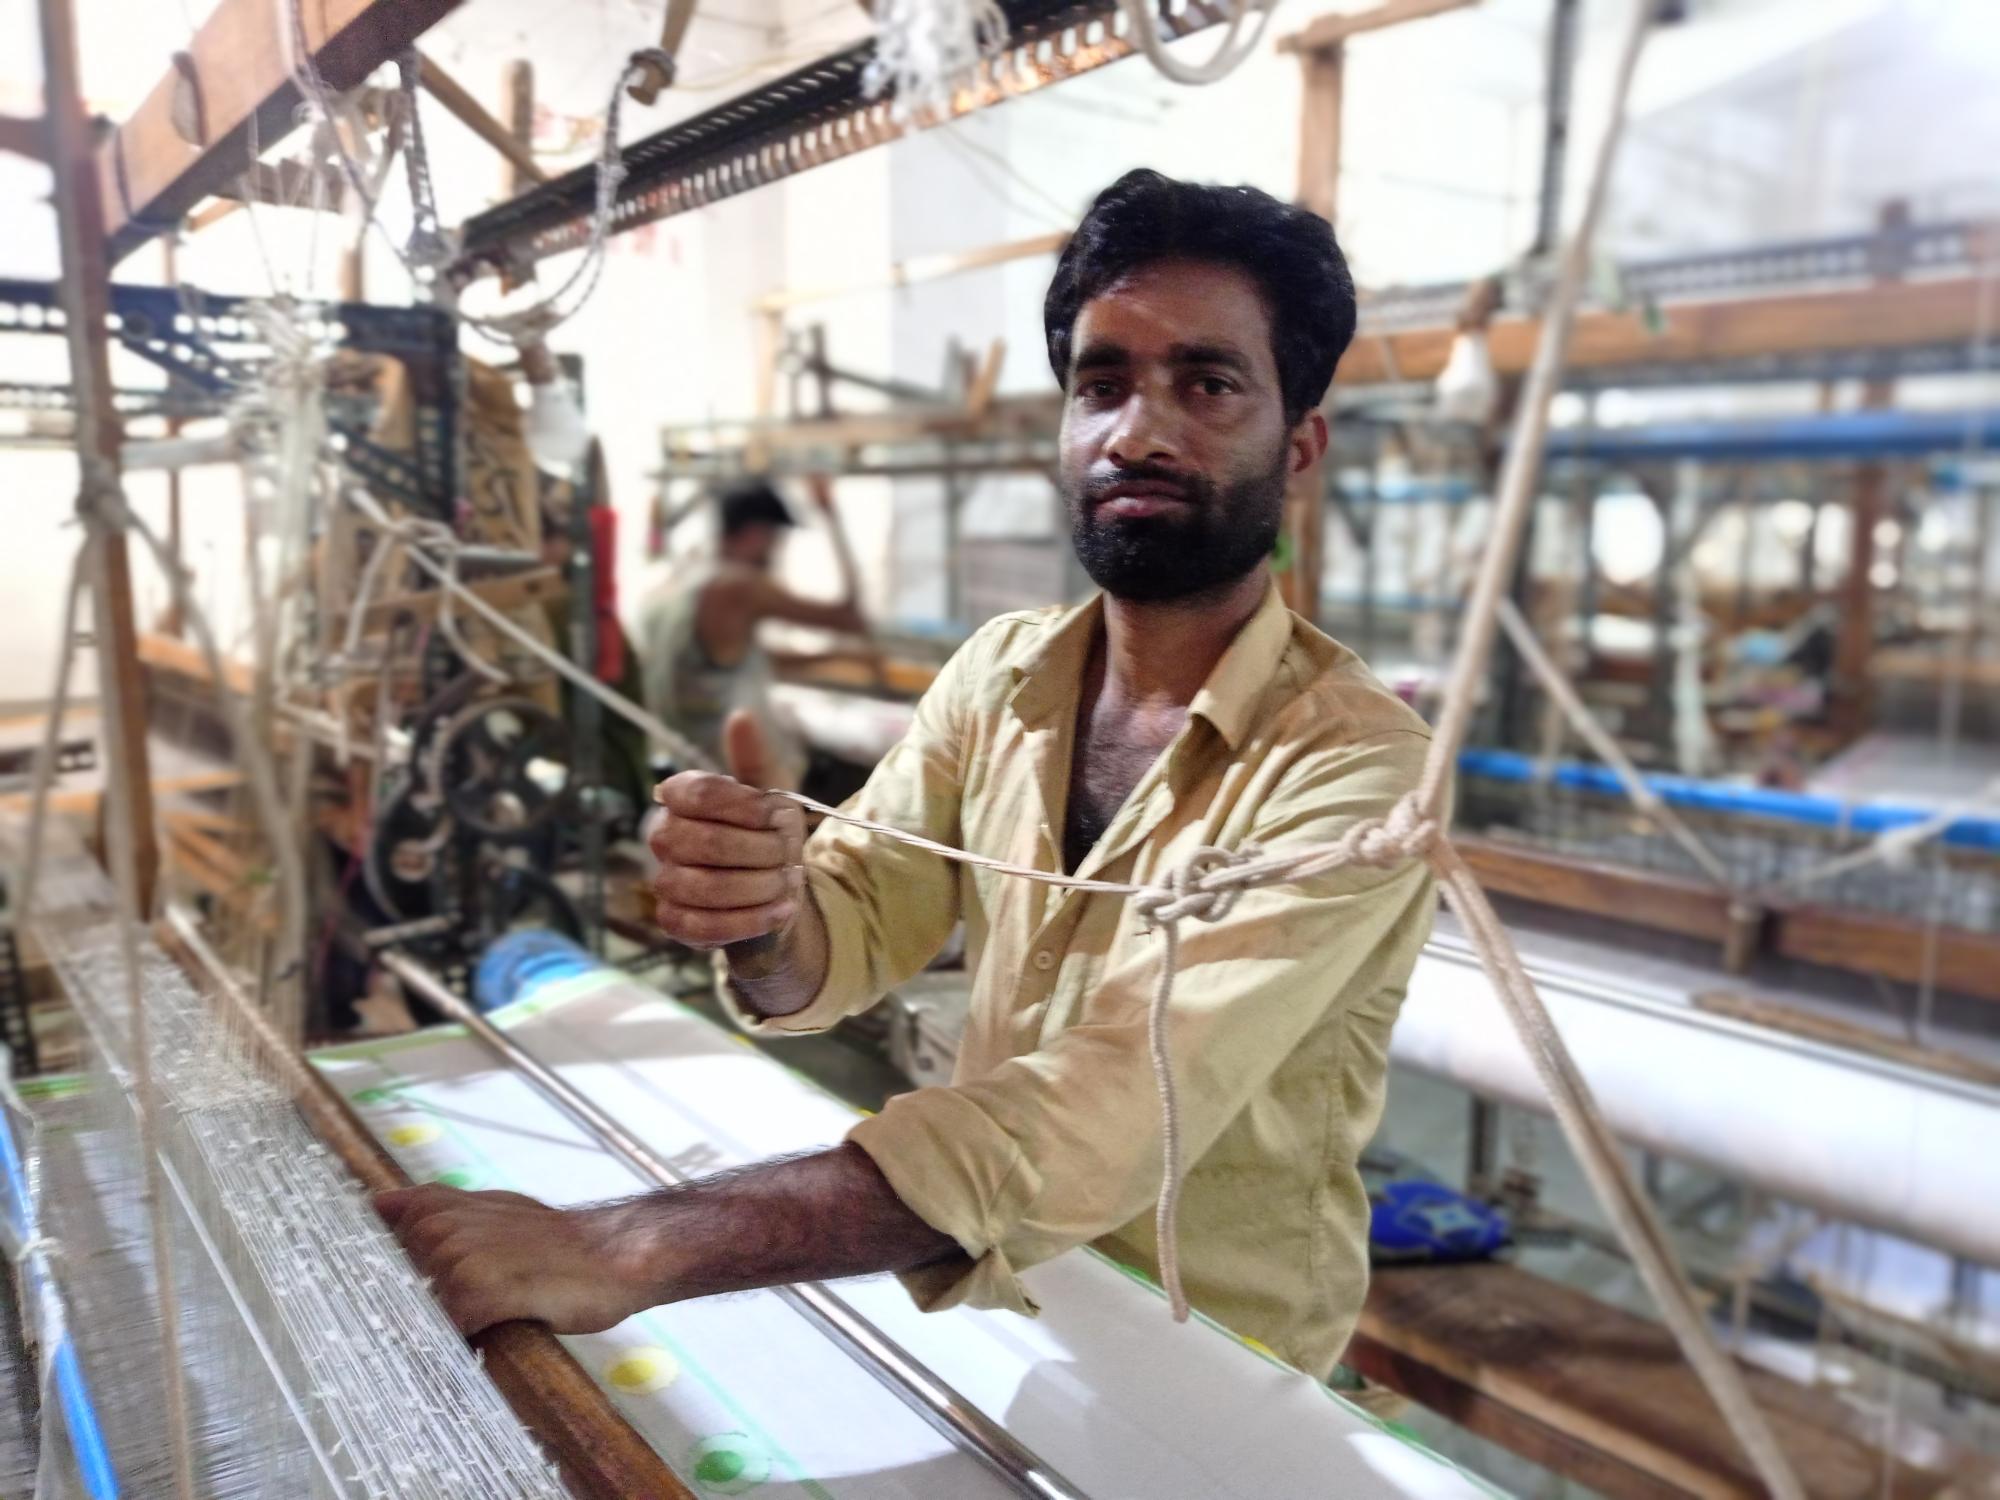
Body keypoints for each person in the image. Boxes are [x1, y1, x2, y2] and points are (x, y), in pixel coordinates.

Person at [379, 168, 1438, 1380]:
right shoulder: (1000, 676)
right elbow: (848, 932)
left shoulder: (1353, 765)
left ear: (1296, 446)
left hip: (1223, 1373)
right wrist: (763, 916)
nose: (1134, 434)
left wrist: (625, 1244)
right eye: (1100, 384)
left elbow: (1105, 1110)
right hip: (1012, 1320)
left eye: (1206, 384)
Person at [636, 478, 870, 789]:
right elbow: (851, 618)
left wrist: (832, 656)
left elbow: (740, 662)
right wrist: (830, 512)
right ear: (756, 532)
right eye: (776, 538)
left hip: (686, 771)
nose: (776, 550)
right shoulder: (738, 586)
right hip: (738, 776)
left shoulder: (677, 582)